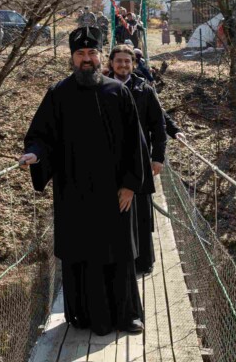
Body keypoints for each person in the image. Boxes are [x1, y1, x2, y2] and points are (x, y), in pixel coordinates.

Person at [20, 27, 148, 335]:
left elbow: (136, 143)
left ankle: (127, 315)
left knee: (118, 253)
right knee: (82, 253)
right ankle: (85, 316)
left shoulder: (118, 92)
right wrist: (35, 154)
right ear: (72, 58)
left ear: (100, 56)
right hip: (74, 193)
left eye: (91, 53)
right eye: (80, 54)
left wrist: (131, 184)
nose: (86, 59)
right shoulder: (58, 94)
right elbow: (41, 136)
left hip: (115, 192)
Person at [108, 44, 168, 274]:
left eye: (127, 61)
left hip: (140, 160)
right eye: (119, 61)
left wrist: (158, 157)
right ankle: (118, 261)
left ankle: (143, 262)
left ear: (133, 64)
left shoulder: (145, 90)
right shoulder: (101, 88)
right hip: (110, 161)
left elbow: (158, 126)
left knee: (141, 211)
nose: (123, 65)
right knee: (115, 210)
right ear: (111, 63)